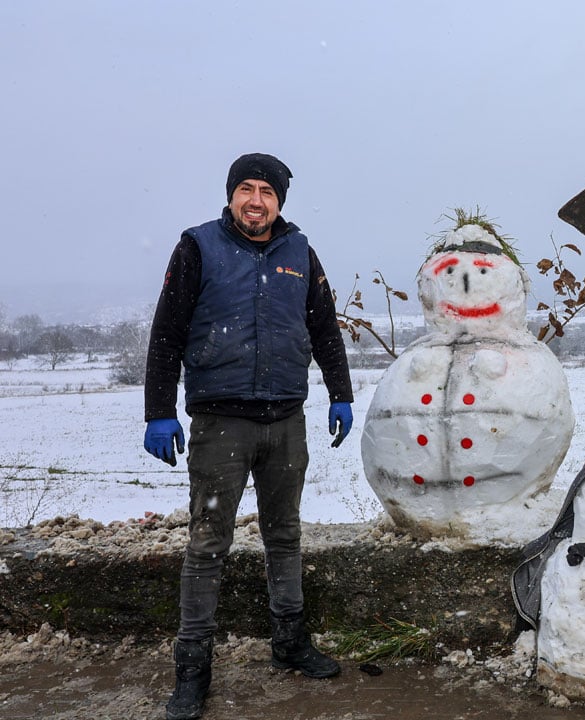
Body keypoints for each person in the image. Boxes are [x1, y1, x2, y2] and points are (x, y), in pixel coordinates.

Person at [143, 153, 354, 720]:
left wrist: (341, 392)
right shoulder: (198, 247)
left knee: (284, 535)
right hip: (221, 424)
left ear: (280, 202)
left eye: (266, 191)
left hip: (286, 421)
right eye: (246, 189)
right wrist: (158, 411)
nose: (255, 200)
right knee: (208, 545)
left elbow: (324, 325)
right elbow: (168, 329)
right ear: (232, 195)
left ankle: (289, 643)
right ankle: (193, 670)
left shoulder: (299, 253)